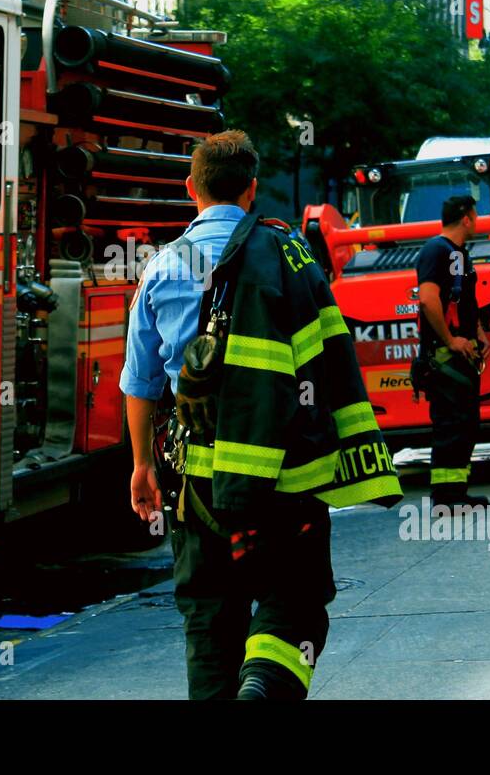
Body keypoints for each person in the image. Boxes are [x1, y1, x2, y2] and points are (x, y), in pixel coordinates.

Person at [120, 130, 401, 700]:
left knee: (208, 618)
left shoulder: (160, 268)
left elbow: (141, 384)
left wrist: (141, 467)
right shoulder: (291, 254)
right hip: (285, 480)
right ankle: (262, 693)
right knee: (292, 600)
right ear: (251, 189)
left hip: (196, 481)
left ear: (189, 189)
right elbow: (326, 358)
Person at [412, 195, 490, 508]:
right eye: (476, 214)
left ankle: (455, 494)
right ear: (467, 219)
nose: (478, 219)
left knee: (463, 426)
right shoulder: (436, 250)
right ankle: (446, 497)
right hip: (446, 358)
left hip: (462, 358)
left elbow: (461, 303)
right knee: (450, 426)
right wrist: (450, 340)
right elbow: (428, 299)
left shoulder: (459, 254)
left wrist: (478, 334)